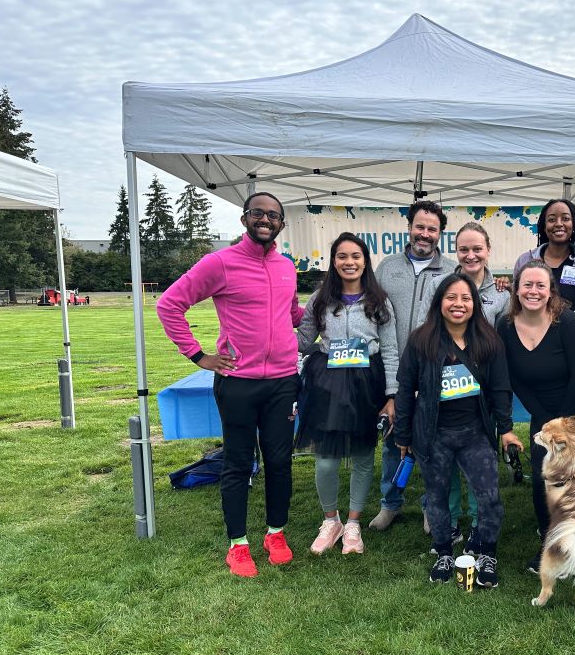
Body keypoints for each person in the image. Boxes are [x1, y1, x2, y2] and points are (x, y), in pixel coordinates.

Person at [156, 192, 303, 578]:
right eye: (259, 213)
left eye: (274, 215)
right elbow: (169, 305)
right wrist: (198, 356)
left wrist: (334, 304)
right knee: (238, 463)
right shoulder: (219, 263)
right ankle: (238, 545)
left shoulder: (287, 267)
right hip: (238, 382)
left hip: (284, 382)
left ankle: (276, 534)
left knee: (280, 462)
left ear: (281, 225)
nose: (266, 220)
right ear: (244, 219)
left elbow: (291, 314)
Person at [394, 273, 522, 587]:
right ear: (440, 302)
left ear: (475, 304)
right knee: (436, 498)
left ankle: (487, 552)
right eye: (451, 297)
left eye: (466, 298)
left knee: (489, 497)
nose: (459, 304)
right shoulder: (420, 340)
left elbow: (501, 389)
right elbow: (405, 388)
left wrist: (505, 430)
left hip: (475, 433)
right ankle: (443, 551)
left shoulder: (488, 340)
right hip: (433, 434)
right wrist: (402, 435)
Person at [497, 260, 575, 572]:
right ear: (516, 289)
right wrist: (543, 419)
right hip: (542, 411)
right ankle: (552, 543)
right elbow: (513, 377)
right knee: (542, 476)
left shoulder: (566, 322)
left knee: (572, 473)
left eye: (540, 285)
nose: (533, 291)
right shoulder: (505, 327)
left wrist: (561, 425)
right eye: (527, 284)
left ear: (550, 291)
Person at [295, 232, 398, 556]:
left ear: (365, 260)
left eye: (355, 256)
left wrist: (392, 394)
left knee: (363, 457)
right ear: (334, 260)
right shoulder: (320, 300)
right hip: (327, 383)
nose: (349, 262)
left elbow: (392, 348)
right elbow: (301, 340)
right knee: (325, 460)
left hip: (367, 384)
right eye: (342, 256)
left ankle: (353, 523)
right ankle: (331, 520)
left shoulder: (379, 301)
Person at [417, 221, 511, 552]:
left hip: (479, 402)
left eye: (477, 249)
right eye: (463, 249)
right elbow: (428, 330)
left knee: (480, 471)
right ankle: (449, 522)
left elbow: (503, 337)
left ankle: (478, 527)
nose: (470, 255)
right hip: (441, 406)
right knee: (443, 474)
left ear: (487, 251)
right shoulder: (441, 284)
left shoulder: (501, 292)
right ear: (455, 251)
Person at [369, 200, 455, 532]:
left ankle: (430, 506)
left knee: (433, 446)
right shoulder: (387, 268)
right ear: (409, 227)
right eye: (420, 226)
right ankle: (390, 504)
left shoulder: (451, 271)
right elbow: (374, 318)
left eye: (432, 229)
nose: (425, 234)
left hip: (434, 373)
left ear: (440, 233)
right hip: (394, 371)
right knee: (394, 441)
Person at [513, 199, 575, 310]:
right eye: (552, 220)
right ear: (544, 226)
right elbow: (515, 300)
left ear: (574, 224)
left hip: (574, 326)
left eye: (565, 219)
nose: (559, 224)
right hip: (532, 326)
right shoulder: (525, 260)